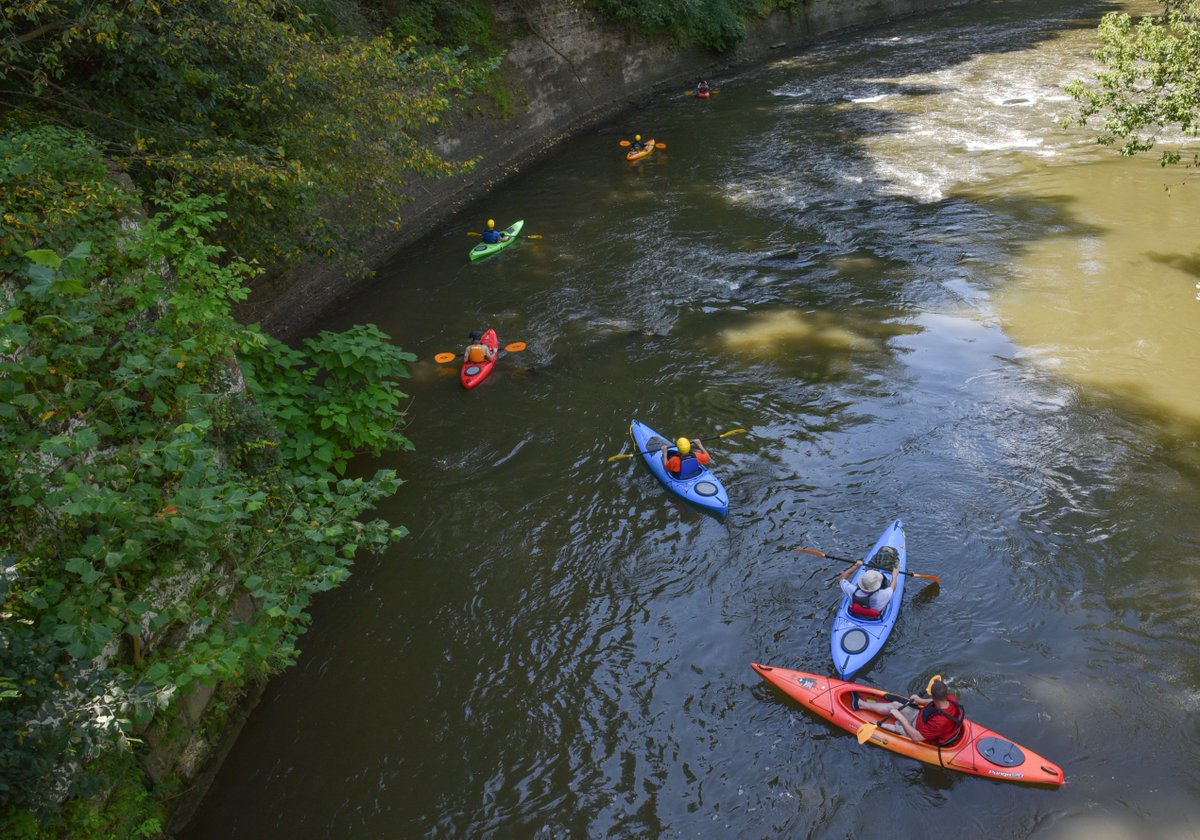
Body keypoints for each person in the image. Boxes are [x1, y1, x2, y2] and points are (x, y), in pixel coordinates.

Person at [856, 679, 966, 746]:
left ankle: (869, 722)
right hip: (923, 719)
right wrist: (920, 701)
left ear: (932, 695)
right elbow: (935, 701)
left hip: (920, 732)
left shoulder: (939, 722)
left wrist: (901, 718)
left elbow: (917, 738)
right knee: (895, 705)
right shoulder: (950, 698)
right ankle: (862, 704)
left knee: (895, 727)